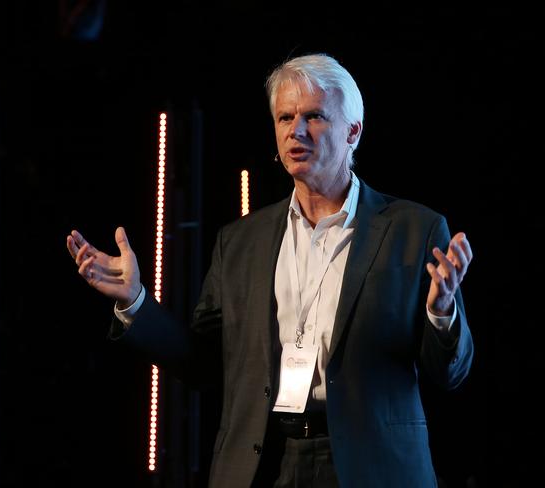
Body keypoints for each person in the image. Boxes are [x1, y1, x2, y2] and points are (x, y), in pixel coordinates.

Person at [66, 53, 474, 488]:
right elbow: (204, 364)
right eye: (285, 118)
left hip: (372, 466)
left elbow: (450, 372)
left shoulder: (414, 228)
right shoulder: (240, 241)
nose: (296, 131)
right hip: (266, 464)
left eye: (314, 116)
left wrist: (441, 314)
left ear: (353, 131)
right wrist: (136, 303)